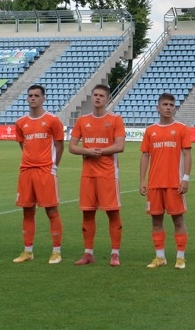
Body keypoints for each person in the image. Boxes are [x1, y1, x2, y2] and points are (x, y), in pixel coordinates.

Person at [69, 84, 126, 266]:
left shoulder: (115, 120)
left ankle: (115, 253)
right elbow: (72, 147)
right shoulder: (82, 120)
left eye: (101, 95)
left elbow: (120, 146)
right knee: (87, 213)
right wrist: (85, 150)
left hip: (108, 174)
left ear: (107, 98)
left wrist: (98, 152)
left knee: (112, 212)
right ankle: (88, 253)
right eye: (95, 95)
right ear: (91, 97)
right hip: (88, 175)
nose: (98, 98)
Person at [13, 85, 65, 264]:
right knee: (27, 211)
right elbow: (23, 145)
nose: (32, 98)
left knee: (51, 210)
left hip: (45, 171)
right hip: (26, 170)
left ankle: (56, 251)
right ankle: (28, 251)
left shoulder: (52, 120)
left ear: (44, 98)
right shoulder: (21, 123)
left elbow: (59, 145)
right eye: (30, 95)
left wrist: (53, 166)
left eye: (36, 95)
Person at [139, 92, 192, 269]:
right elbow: (145, 155)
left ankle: (180, 257)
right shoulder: (150, 131)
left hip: (174, 183)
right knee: (156, 221)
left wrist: (185, 178)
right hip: (154, 184)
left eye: (171, 105)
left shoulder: (181, 129)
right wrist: (142, 180)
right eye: (165, 104)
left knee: (178, 220)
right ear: (158, 107)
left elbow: (187, 154)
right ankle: (160, 257)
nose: (168, 107)